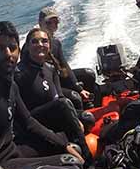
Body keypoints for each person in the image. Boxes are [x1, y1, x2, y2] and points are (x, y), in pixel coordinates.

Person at [0, 21, 84, 168]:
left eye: (12, 48)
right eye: (0, 48)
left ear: (19, 50)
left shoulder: (10, 85)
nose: (8, 54)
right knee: (70, 163)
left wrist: (63, 145)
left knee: (70, 144)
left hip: (14, 151)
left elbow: (29, 122)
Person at [16, 27, 90, 155]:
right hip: (35, 120)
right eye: (34, 41)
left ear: (49, 46)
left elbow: (59, 96)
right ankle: (88, 158)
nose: (40, 45)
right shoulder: (18, 74)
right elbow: (22, 117)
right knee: (63, 105)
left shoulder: (50, 68)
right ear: (27, 47)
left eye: (44, 41)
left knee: (88, 118)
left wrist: (75, 120)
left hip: (54, 115)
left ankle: (75, 138)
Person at [38, 7, 94, 109]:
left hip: (58, 77)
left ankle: (90, 108)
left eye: (55, 22)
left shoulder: (56, 43)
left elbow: (64, 66)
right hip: (45, 84)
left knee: (89, 74)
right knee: (74, 97)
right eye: (48, 23)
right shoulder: (33, 46)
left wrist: (78, 88)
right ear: (40, 23)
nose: (53, 25)